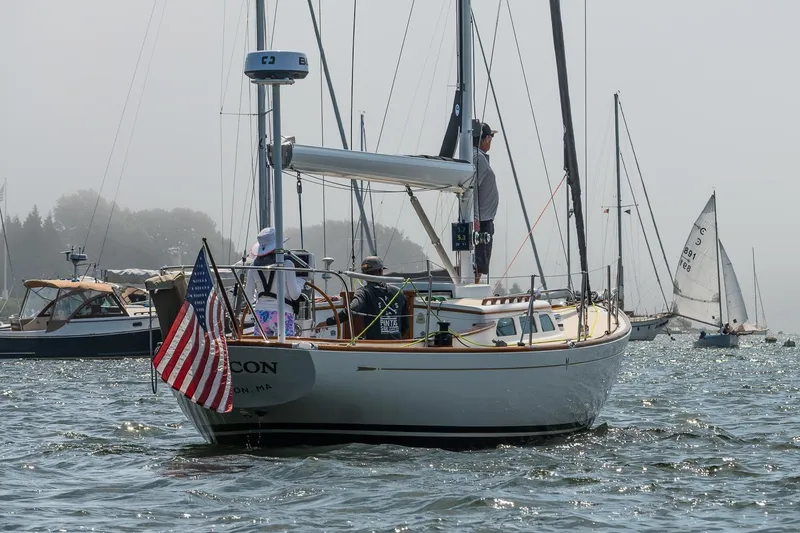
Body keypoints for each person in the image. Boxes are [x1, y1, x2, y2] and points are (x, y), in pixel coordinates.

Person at [315, 256, 409, 340]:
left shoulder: (364, 292)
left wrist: (328, 322)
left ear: (363, 274)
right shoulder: (398, 292)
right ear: (381, 271)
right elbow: (406, 325)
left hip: (374, 346)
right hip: (396, 344)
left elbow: (351, 310)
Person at [242, 227, 304, 337]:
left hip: (261, 314)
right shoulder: (287, 264)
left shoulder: (253, 267)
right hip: (283, 313)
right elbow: (294, 295)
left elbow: (248, 297)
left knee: (261, 347)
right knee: (285, 346)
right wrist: (300, 283)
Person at [472, 122, 499, 283]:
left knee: (481, 262)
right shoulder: (479, 159)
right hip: (482, 221)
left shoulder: (476, 156)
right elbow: (473, 189)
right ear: (486, 138)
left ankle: (474, 285)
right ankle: (474, 287)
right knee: (480, 263)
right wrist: (476, 218)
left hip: (485, 218)